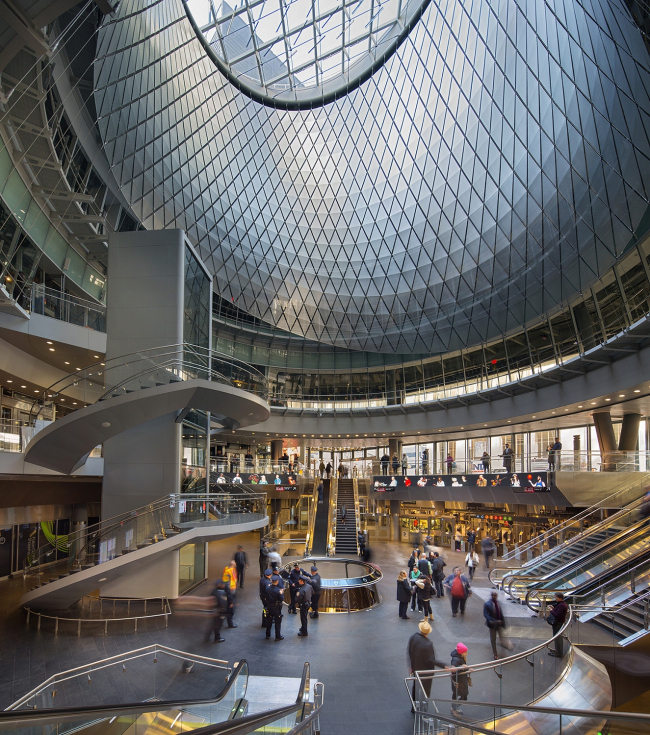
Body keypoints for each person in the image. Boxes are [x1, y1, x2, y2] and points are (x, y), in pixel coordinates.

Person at [407, 621, 448, 708]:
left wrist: (411, 665)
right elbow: (432, 660)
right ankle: (424, 706)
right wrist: (444, 666)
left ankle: (414, 706)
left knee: (416, 687)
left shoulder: (413, 637)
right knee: (426, 690)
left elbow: (410, 651)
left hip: (416, 668)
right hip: (426, 672)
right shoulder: (428, 644)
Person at [483, 590, 513, 659]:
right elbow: (485, 614)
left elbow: (500, 613)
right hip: (492, 624)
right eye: (493, 595)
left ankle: (505, 645)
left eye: (495, 595)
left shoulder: (498, 603)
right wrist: (492, 621)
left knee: (502, 636)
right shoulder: (487, 604)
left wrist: (502, 622)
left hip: (500, 624)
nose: (494, 597)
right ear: (491, 596)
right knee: (493, 639)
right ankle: (495, 653)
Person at [449, 642, 470, 716]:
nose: (467, 653)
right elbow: (453, 668)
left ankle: (454, 708)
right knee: (463, 696)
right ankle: (454, 708)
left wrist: (467, 669)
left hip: (460, 680)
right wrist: (462, 668)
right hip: (459, 681)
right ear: (461, 652)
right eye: (465, 652)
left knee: (457, 694)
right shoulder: (456, 659)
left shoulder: (458, 657)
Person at [264, 574, 285, 641]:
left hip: (269, 606)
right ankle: (277, 636)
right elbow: (282, 599)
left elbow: (266, 597)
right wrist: (281, 593)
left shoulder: (268, 589)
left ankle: (267, 634)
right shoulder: (278, 590)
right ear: (277, 581)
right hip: (276, 608)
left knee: (269, 620)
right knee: (277, 621)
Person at [548, 592, 568, 657]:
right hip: (559, 623)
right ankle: (558, 651)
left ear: (559, 598)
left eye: (556, 597)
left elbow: (557, 615)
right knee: (557, 638)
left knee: (557, 638)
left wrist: (551, 610)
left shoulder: (562, 605)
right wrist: (553, 609)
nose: (555, 598)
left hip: (558, 623)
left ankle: (558, 653)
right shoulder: (561, 604)